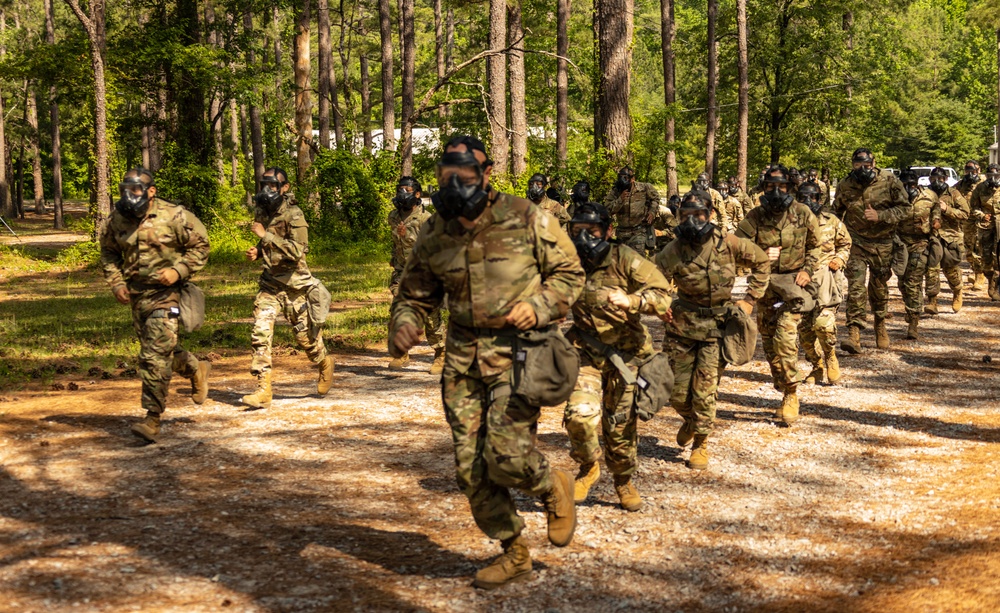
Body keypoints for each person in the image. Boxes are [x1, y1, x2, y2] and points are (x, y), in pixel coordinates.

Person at [388, 135, 585, 590]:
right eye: (446, 175)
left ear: (488, 174)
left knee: (509, 457)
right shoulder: (435, 229)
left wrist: (539, 305)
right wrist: (404, 324)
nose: (455, 183)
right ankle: (514, 552)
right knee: (470, 469)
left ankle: (553, 484)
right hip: (462, 361)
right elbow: (415, 294)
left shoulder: (526, 216)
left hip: (519, 354)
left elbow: (570, 273)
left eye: (466, 174)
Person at [561, 202, 672, 510]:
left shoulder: (624, 258)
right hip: (586, 354)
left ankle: (623, 480)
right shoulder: (567, 263)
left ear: (608, 231)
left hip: (627, 358)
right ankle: (588, 468)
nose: (585, 239)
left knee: (619, 425)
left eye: (593, 232)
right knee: (579, 417)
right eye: (578, 232)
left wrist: (633, 300)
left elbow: (662, 294)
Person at [655, 191, 769, 468]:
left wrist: (750, 300)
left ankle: (701, 443)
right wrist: (659, 304)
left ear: (711, 215)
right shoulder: (674, 249)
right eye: (686, 215)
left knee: (705, 390)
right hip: (682, 326)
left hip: (717, 328)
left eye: (699, 215)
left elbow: (762, 261)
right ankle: (691, 420)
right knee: (677, 393)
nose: (692, 221)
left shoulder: (728, 244)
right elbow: (652, 279)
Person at [99, 167, 211, 443]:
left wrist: (179, 270)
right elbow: (109, 253)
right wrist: (116, 283)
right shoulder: (117, 220)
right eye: (125, 190)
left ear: (151, 191)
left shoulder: (174, 215)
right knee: (160, 351)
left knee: (153, 356)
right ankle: (195, 368)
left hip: (168, 295)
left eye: (135, 190)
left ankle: (152, 418)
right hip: (138, 297)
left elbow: (201, 246)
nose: (129, 195)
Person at [242, 168, 335, 410]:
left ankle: (324, 362)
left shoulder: (295, 214)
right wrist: (257, 250)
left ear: (285, 188)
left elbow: (296, 251)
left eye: (272, 186)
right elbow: (266, 243)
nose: (266, 191)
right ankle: (263, 389)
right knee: (260, 332)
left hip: (295, 286)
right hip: (270, 285)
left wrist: (265, 238)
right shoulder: (262, 211)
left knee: (305, 339)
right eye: (264, 185)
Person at [736, 165, 820, 424]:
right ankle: (783, 383)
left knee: (785, 339)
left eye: (781, 186)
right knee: (769, 342)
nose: (775, 191)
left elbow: (816, 247)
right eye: (770, 186)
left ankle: (791, 394)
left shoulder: (803, 213)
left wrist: (807, 269)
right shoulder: (755, 217)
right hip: (765, 287)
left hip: (794, 285)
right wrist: (759, 256)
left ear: (789, 187)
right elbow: (734, 251)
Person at [833, 148, 911, 353]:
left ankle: (880, 324)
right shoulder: (845, 184)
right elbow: (836, 213)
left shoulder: (889, 181)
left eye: (866, 164)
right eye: (857, 164)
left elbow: (905, 209)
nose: (862, 168)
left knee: (878, 287)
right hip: (856, 242)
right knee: (856, 287)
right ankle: (854, 333)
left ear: (873, 163)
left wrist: (881, 215)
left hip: (883, 243)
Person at [387, 177, 446, 373]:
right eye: (399, 189)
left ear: (417, 194)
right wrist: (394, 259)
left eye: (407, 189)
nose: (402, 193)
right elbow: (396, 243)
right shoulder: (393, 216)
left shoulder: (426, 220)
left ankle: (441, 353)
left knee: (430, 317)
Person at [795, 181, 851, 385]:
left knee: (823, 325)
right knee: (804, 331)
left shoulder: (832, 221)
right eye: (803, 198)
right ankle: (817, 365)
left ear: (820, 199)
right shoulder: (791, 222)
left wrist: (839, 260)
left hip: (826, 278)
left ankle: (830, 357)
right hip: (800, 282)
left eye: (813, 198)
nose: (808, 202)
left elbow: (845, 243)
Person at [894, 169, 940, 339]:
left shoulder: (929, 196)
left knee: (913, 281)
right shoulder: (894, 197)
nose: (909, 188)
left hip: (921, 243)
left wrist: (936, 220)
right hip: (900, 245)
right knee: (902, 282)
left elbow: (935, 209)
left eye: (912, 184)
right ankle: (911, 305)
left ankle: (913, 322)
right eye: (905, 185)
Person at [924, 167, 970, 314]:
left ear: (945, 179)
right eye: (934, 179)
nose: (937, 182)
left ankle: (957, 291)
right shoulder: (925, 194)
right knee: (932, 269)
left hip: (950, 237)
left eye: (941, 179)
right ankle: (932, 301)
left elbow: (965, 213)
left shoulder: (954, 194)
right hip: (932, 237)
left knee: (950, 270)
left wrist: (947, 210)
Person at [604, 166, 660, 253]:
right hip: (621, 233)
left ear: (632, 178)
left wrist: (652, 212)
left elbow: (655, 198)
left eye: (626, 178)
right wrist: (620, 199)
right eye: (620, 177)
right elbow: (608, 209)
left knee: (637, 260)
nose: (623, 180)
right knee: (622, 261)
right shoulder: (615, 191)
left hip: (638, 231)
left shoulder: (644, 188)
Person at [969, 163, 1000, 301]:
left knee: (998, 257)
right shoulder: (980, 188)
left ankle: (996, 288)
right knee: (986, 259)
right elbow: (973, 206)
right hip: (986, 226)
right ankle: (990, 280)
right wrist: (981, 215)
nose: (992, 178)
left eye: (995, 175)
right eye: (990, 176)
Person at [955, 161, 985, 291]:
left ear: (979, 169)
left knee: (978, 247)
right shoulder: (962, 184)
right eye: (967, 170)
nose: (970, 173)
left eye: (973, 170)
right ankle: (976, 270)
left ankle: (980, 275)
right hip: (967, 220)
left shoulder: (984, 183)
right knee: (968, 250)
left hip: (982, 220)